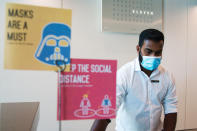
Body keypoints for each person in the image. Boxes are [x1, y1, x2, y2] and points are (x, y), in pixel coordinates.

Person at [90, 29, 178, 131]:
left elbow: (171, 109)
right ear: (138, 49)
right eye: (148, 51)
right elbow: (106, 111)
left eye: (158, 52)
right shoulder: (124, 74)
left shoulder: (167, 76)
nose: (153, 57)